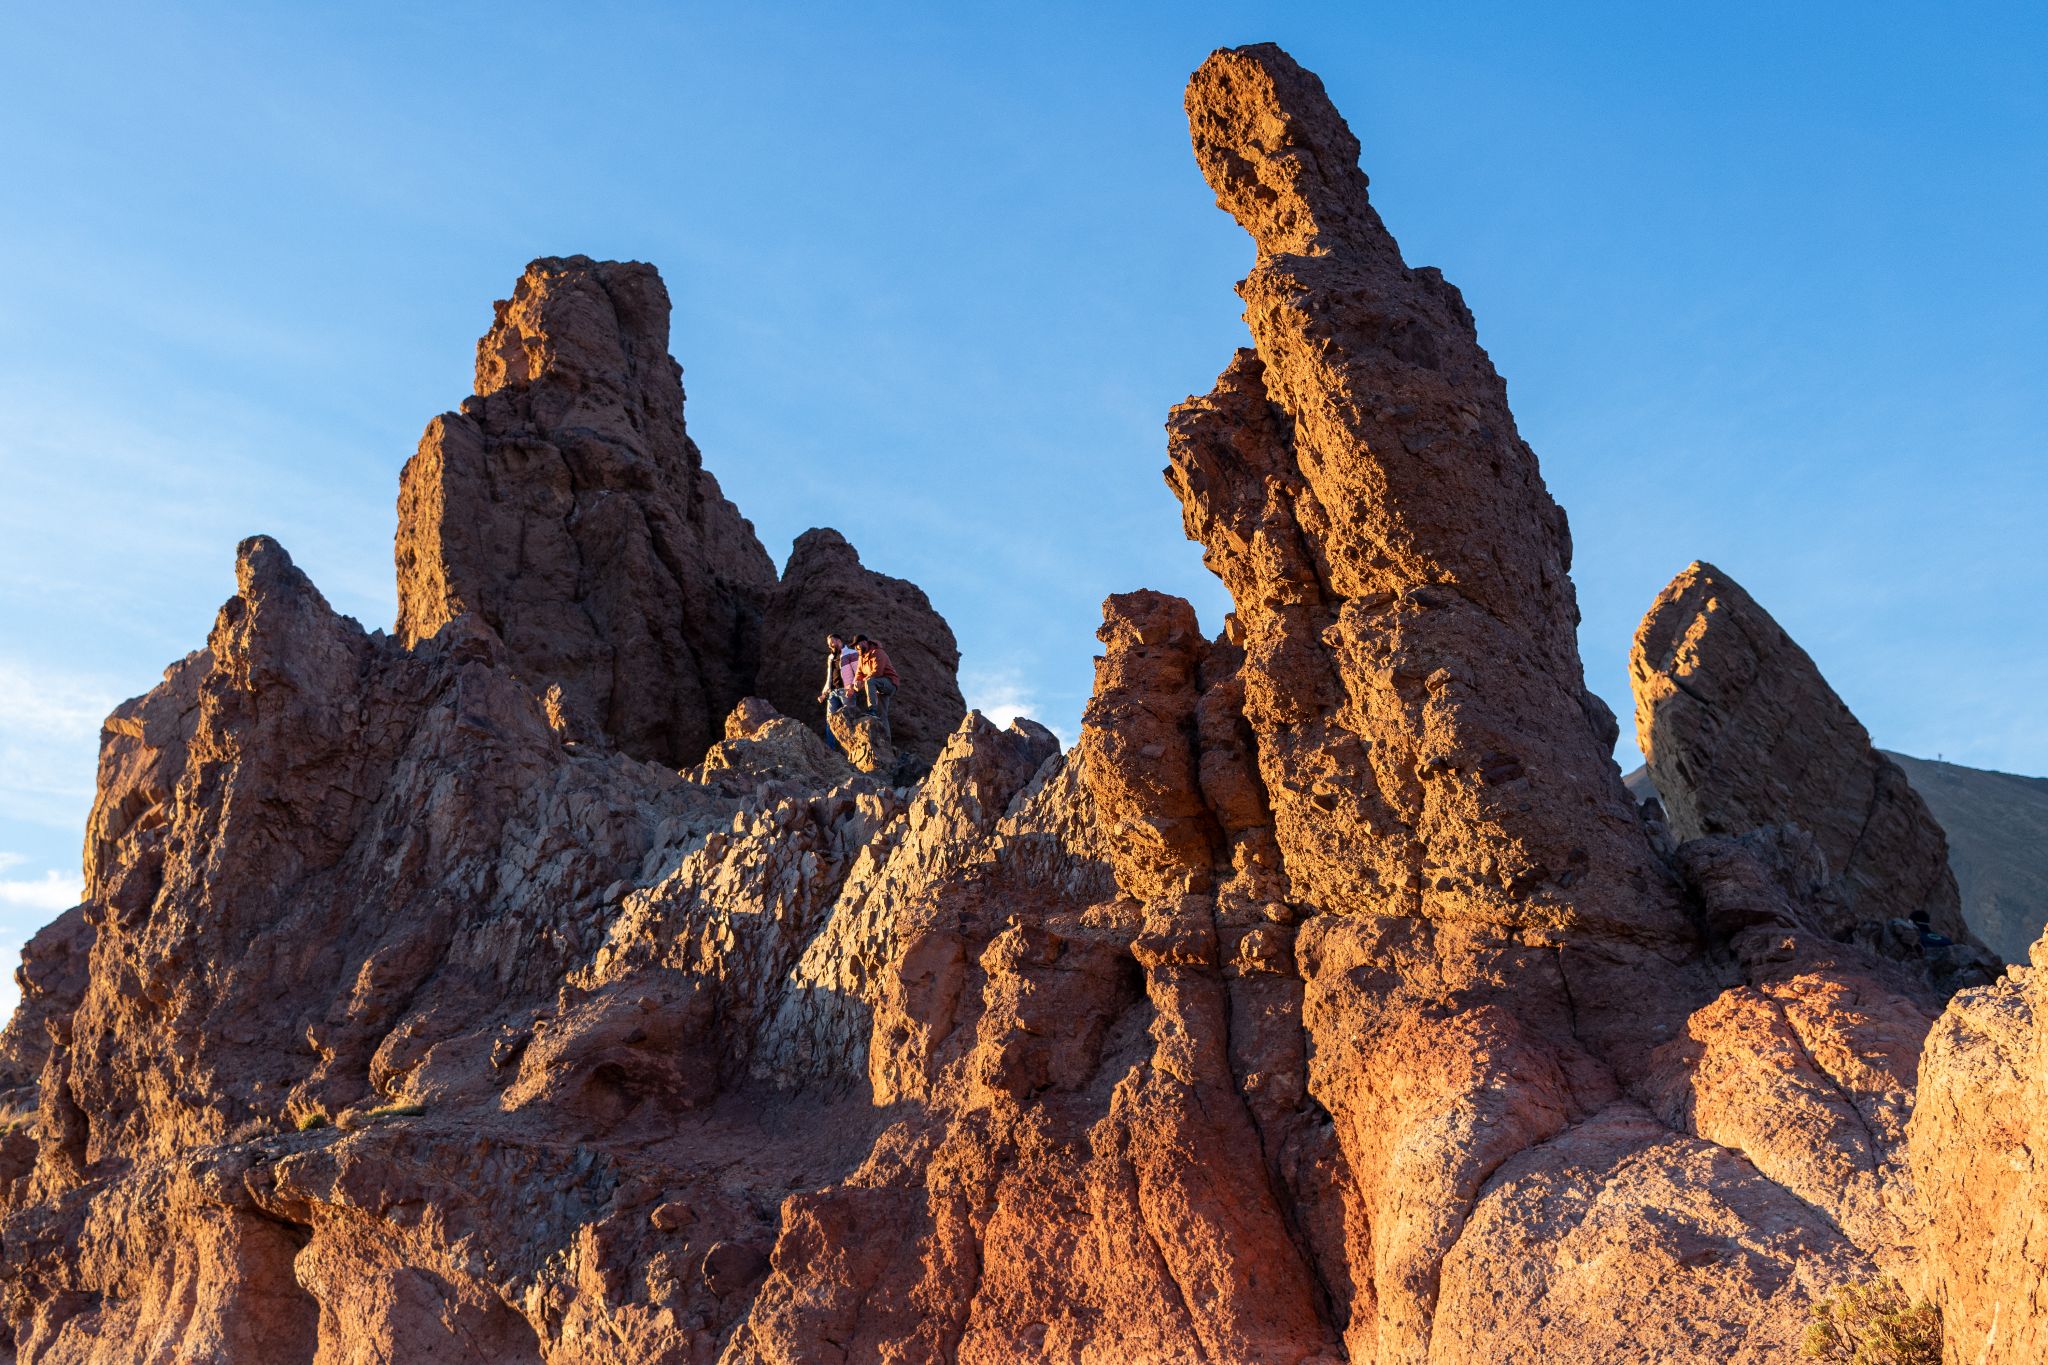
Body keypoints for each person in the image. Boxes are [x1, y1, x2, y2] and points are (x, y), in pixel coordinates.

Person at [854, 635, 899, 733]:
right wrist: (857, 682)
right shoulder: (861, 658)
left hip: (890, 683)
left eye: (859, 643)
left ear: (865, 642)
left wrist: (863, 681)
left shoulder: (878, 652)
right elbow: (858, 673)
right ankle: (887, 744)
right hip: (879, 687)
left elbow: (878, 672)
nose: (857, 646)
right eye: (856, 645)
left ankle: (872, 710)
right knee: (883, 715)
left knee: (870, 681)